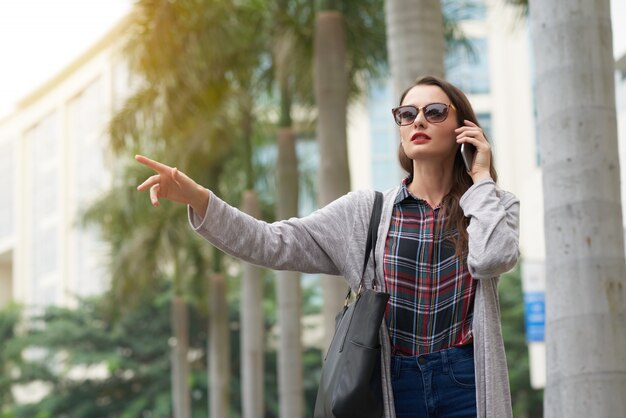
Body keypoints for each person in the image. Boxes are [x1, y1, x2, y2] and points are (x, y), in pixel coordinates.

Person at [136, 75, 519, 418]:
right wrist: (201, 199)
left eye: (434, 112)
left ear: (462, 129)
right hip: (391, 383)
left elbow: (492, 258)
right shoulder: (365, 212)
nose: (418, 121)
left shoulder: (493, 205)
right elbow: (274, 242)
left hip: (466, 381)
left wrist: (480, 177)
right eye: (407, 113)